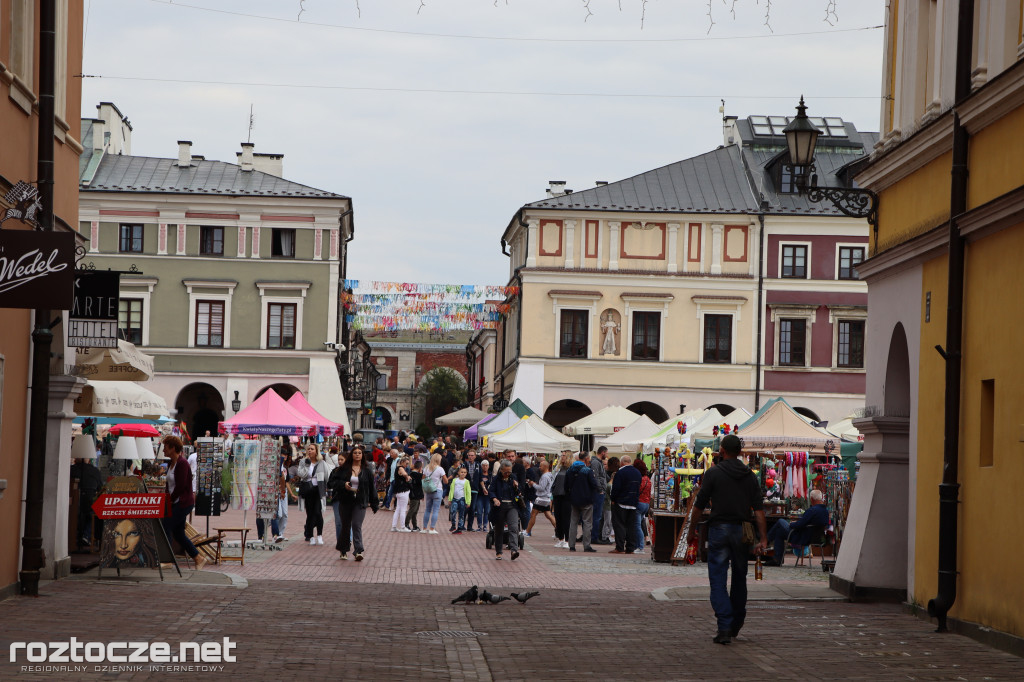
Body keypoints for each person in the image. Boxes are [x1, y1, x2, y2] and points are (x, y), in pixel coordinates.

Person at [691, 434, 767, 644]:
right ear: (740, 452)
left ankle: (724, 625)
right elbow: (759, 510)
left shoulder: (714, 473)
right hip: (743, 529)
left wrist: (691, 531)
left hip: (719, 528)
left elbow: (699, 505)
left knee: (717, 578)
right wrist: (763, 539)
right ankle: (736, 621)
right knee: (740, 577)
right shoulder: (750, 476)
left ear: (722, 451)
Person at [161, 436, 205, 568]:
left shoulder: (182, 463)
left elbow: (180, 487)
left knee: (166, 526)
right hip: (175, 502)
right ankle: (198, 558)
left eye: (165, 447)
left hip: (183, 503)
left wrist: (170, 500)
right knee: (178, 533)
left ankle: (168, 560)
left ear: (173, 448)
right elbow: (169, 485)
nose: (163, 450)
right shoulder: (171, 463)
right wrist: (166, 498)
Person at [335, 445, 379, 560]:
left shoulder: (366, 470)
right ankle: (343, 550)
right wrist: (343, 484)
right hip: (345, 500)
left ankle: (358, 551)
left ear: (362, 455)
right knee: (345, 526)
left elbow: (371, 487)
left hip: (360, 501)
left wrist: (374, 502)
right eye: (355, 453)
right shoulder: (344, 469)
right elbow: (333, 482)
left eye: (360, 453)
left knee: (356, 525)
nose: (357, 454)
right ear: (352, 455)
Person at [766, 489, 829, 566]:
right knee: (779, 532)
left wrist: (792, 524)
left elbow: (800, 524)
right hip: (815, 537)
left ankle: (766, 540)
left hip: (802, 537)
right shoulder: (825, 511)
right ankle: (777, 559)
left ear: (812, 499)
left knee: (780, 521)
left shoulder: (813, 510)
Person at [565, 452, 598, 553]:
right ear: (586, 458)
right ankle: (586, 545)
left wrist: (569, 496)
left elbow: (566, 485)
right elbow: (594, 484)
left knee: (573, 522)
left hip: (574, 500)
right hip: (586, 500)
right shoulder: (587, 470)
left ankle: (571, 545)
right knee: (587, 523)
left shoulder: (570, 469)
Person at [488, 460, 521, 561]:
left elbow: (519, 493)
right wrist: (495, 499)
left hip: (512, 505)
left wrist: (517, 487)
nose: (507, 474)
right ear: (501, 470)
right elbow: (491, 491)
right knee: (499, 529)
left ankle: (514, 550)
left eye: (509, 472)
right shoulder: (496, 479)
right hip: (500, 506)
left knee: (514, 527)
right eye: (505, 472)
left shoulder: (513, 477)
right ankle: (499, 552)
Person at [609, 455, 641, 554]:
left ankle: (620, 547)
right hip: (633, 503)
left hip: (621, 502)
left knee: (619, 525)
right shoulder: (637, 473)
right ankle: (630, 547)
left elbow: (616, 488)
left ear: (622, 462)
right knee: (631, 526)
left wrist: (613, 499)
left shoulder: (620, 473)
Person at [71, 456, 103, 548]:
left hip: (74, 503)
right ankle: (86, 535)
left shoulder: (71, 469)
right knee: (94, 515)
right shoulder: (95, 471)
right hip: (90, 501)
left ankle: (79, 536)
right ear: (88, 459)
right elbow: (100, 488)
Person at [297, 444, 326, 546]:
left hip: (318, 490)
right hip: (307, 490)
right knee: (310, 514)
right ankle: (311, 536)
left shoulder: (321, 462)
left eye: (312, 449)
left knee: (318, 513)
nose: (310, 451)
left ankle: (319, 535)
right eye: (308, 449)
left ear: (316, 451)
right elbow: (301, 474)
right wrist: (307, 465)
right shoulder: (303, 462)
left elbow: (326, 475)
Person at [526, 459, 555, 537]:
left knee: (533, 514)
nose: (539, 467)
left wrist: (533, 484)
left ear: (545, 467)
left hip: (542, 498)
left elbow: (541, 488)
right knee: (548, 515)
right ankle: (558, 530)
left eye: (540, 466)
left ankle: (527, 531)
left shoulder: (545, 476)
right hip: (546, 498)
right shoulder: (550, 475)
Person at [327, 451, 350, 546]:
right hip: (337, 498)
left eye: (342, 460)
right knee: (338, 521)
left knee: (348, 521)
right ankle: (340, 540)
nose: (340, 461)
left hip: (349, 499)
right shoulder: (335, 471)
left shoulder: (352, 471)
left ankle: (348, 540)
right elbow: (330, 483)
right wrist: (340, 484)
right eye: (339, 459)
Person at [551, 453, 573, 549]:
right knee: (558, 517)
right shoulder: (558, 468)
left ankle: (567, 540)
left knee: (566, 518)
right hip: (557, 495)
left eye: (564, 455)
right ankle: (561, 539)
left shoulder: (571, 469)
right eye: (561, 455)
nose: (562, 457)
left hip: (566, 496)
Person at [421, 453, 447, 534]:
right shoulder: (440, 469)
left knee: (427, 510)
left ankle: (424, 528)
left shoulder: (426, 468)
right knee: (435, 510)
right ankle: (432, 528)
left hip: (429, 490)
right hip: (437, 490)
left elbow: (423, 478)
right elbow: (445, 481)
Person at [590, 447, 610, 545]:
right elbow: (595, 477)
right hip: (598, 492)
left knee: (598, 515)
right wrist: (600, 489)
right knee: (596, 516)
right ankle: (594, 537)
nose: (606, 455)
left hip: (600, 491)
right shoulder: (595, 463)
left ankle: (595, 536)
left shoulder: (598, 462)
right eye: (606, 453)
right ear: (602, 453)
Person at [633, 458, 652, 553]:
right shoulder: (648, 479)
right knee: (640, 524)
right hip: (646, 504)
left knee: (637, 526)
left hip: (639, 503)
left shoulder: (639, 479)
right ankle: (638, 546)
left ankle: (640, 547)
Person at [390, 456, 413, 532]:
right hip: (403, 491)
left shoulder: (398, 468)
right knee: (403, 509)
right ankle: (403, 527)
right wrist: (407, 477)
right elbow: (404, 473)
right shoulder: (400, 468)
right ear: (402, 462)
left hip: (399, 491)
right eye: (406, 463)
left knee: (398, 509)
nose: (407, 465)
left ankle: (394, 526)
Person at [447, 467, 472, 534]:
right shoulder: (455, 480)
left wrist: (468, 502)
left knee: (461, 514)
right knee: (453, 512)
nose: (463, 474)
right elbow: (451, 490)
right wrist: (450, 499)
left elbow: (468, 492)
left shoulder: (466, 481)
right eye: (461, 472)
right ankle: (453, 525)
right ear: (458, 473)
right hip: (454, 499)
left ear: (466, 474)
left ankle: (460, 528)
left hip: (462, 499)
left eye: (464, 472)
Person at [463, 449, 480, 531]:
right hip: (466, 489)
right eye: (469, 455)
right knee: (465, 508)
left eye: (472, 455)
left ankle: (470, 526)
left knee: (472, 508)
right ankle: (461, 525)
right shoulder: (464, 464)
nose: (470, 457)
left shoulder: (478, 465)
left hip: (475, 489)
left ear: (475, 456)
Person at [406, 459, 424, 531]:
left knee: (414, 510)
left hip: (412, 493)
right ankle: (406, 524)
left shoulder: (410, 474)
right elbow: (421, 485)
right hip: (417, 494)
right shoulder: (419, 475)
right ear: (420, 467)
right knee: (413, 510)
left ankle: (415, 525)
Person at [473, 459, 491, 534]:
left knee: (487, 511)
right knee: (479, 511)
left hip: (488, 496)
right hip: (480, 495)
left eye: (486, 465)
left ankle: (485, 526)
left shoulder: (490, 474)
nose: (485, 467)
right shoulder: (478, 474)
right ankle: (479, 525)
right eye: (483, 465)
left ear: (488, 466)